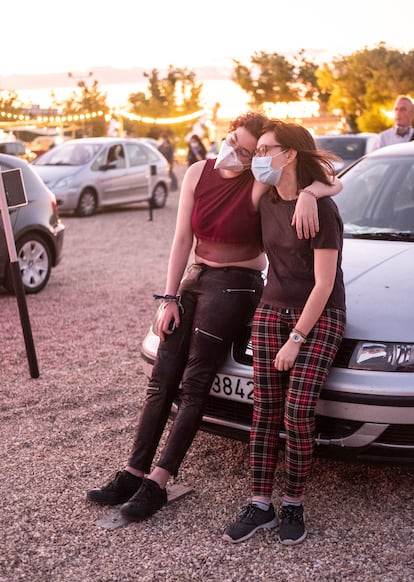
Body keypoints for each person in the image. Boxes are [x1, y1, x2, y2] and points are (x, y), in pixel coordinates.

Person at [87, 112, 341, 524]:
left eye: (249, 150)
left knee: (195, 380)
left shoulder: (259, 181)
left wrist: (312, 191)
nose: (238, 153)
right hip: (195, 277)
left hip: (235, 282)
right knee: (161, 378)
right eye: (235, 143)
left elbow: (327, 179)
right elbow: (182, 238)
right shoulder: (196, 173)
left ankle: (158, 482)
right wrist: (169, 296)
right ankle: (132, 472)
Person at [224, 119, 346, 546]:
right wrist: (314, 188)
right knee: (264, 412)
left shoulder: (322, 211)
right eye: (255, 151)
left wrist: (296, 339)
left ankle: (293, 502)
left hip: (319, 315)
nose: (258, 159)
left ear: (289, 153)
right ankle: (260, 504)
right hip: (270, 309)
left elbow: (325, 284)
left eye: (266, 150)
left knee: (296, 414)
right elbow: (228, 165)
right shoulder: (265, 196)